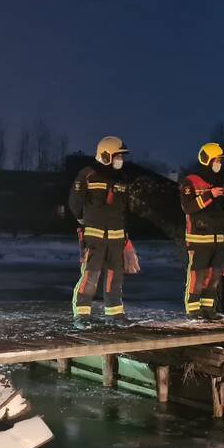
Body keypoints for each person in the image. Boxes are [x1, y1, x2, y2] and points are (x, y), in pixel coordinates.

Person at [68, 136, 136, 328]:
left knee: (116, 276)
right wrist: (85, 221)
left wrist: (125, 235)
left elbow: (126, 209)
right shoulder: (87, 174)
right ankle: (82, 315)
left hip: (117, 236)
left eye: (121, 157)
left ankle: (115, 314)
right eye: (117, 156)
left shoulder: (122, 178)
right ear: (106, 156)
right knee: (91, 275)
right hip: (94, 235)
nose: (120, 160)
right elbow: (75, 203)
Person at [179, 142, 224, 319]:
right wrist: (209, 195)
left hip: (218, 238)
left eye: (220, 160)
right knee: (198, 275)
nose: (219, 164)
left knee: (215, 275)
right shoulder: (191, 181)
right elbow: (188, 208)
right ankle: (193, 310)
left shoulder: (223, 183)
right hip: (199, 238)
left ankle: (209, 310)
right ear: (207, 160)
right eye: (216, 160)